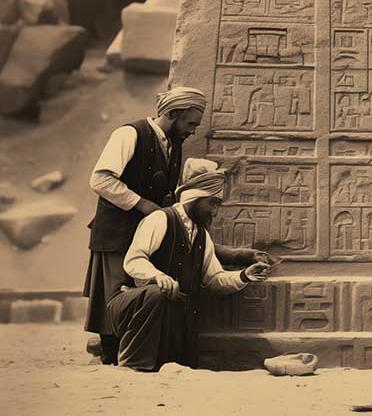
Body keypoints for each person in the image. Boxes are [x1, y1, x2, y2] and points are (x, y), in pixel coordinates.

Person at [83, 86, 264, 365]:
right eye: (191, 123)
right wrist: (143, 204)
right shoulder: (129, 134)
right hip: (118, 233)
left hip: (150, 228)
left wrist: (241, 257)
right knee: (117, 298)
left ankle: (129, 352)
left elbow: (194, 239)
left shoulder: (173, 144)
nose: (193, 131)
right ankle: (111, 355)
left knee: (150, 295)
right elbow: (100, 180)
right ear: (173, 113)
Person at [107, 161, 271, 371]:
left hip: (172, 311)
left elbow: (213, 280)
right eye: (212, 203)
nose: (215, 211)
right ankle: (132, 362)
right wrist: (158, 276)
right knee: (158, 294)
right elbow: (134, 260)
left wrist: (244, 276)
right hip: (133, 304)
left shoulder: (202, 235)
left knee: (185, 320)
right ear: (195, 198)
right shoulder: (160, 219)